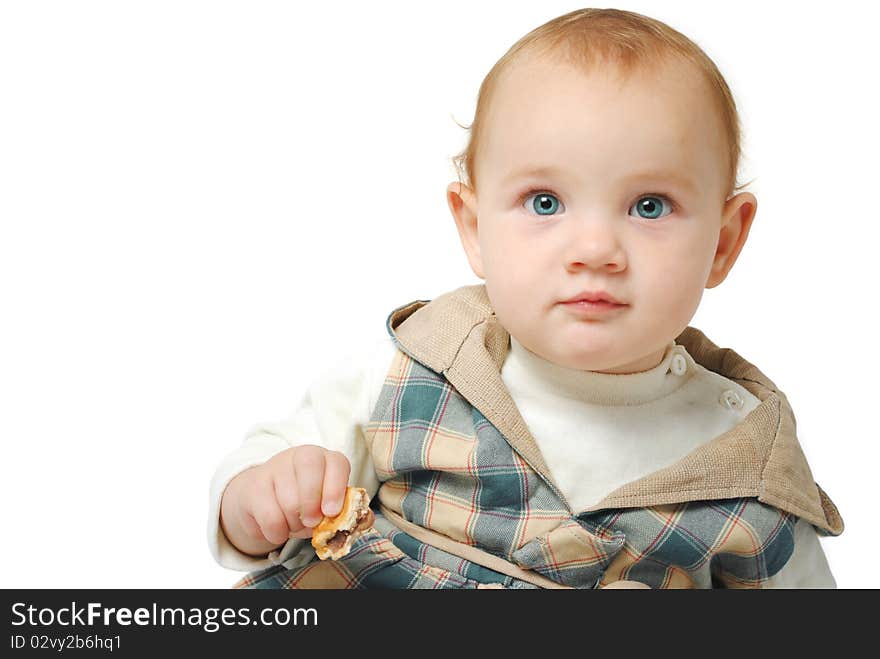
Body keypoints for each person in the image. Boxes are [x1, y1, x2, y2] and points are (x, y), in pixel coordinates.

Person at [207, 7, 842, 588]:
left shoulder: (746, 469)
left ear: (723, 243)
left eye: (650, 206)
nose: (594, 249)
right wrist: (260, 499)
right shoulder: (421, 364)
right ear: (473, 228)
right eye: (545, 203)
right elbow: (268, 466)